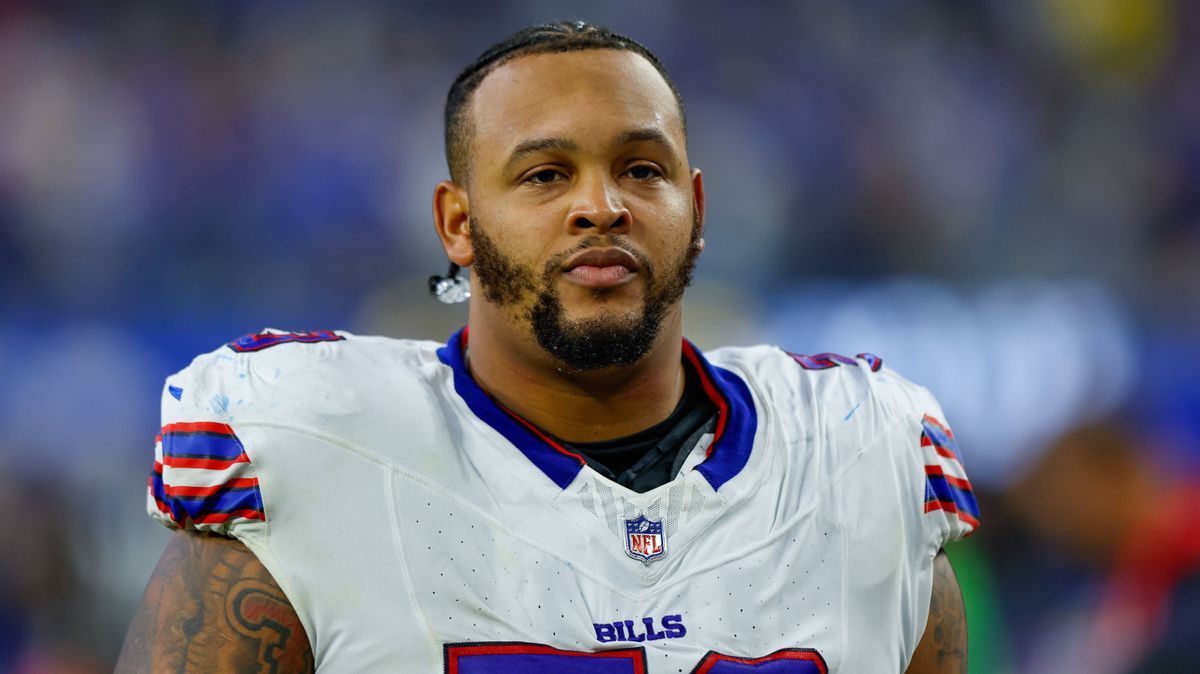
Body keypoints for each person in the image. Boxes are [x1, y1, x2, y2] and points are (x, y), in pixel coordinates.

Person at [116, 21, 979, 673]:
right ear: (458, 223)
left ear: (698, 209)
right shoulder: (316, 445)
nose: (601, 205)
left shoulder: (857, 452)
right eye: (544, 175)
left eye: (643, 169)